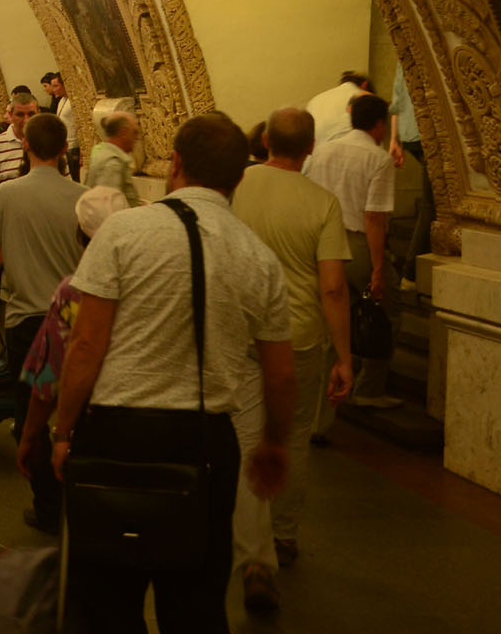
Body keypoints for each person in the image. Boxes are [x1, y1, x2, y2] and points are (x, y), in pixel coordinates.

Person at [48, 113, 295, 633]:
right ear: (240, 177)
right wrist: (274, 443)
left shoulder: (122, 231)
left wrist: (63, 430)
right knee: (197, 600)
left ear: (175, 164)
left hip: (118, 432)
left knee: (104, 601)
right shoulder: (257, 257)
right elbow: (279, 375)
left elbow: (87, 344)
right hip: (205, 440)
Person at [228, 107, 355, 611]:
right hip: (298, 337)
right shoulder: (322, 203)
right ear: (310, 147)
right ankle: (282, 533)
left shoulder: (236, 185)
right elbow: (332, 286)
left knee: (242, 435)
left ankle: (246, 541)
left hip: (238, 333)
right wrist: (343, 357)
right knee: (293, 436)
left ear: (263, 139)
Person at [15, 181, 139, 534]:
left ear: (80, 236)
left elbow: (49, 374)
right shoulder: (150, 279)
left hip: (94, 423)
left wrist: (33, 435)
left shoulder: (73, 291)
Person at [0, 114, 83, 442]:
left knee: (28, 398)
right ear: (64, 148)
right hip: (72, 318)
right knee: (71, 394)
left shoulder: (7, 195)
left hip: (25, 317)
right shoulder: (84, 197)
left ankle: (38, 468)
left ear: (25, 145)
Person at [303, 91, 400, 410]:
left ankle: (321, 396)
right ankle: (370, 388)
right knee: (387, 312)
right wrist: (377, 270)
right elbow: (373, 217)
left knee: (330, 319)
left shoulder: (323, 151)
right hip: (356, 244)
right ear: (379, 125)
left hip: (320, 241)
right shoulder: (378, 159)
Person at [388, 60, 433, 281]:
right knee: (430, 203)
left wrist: (394, 140)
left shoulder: (405, 49)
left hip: (409, 134)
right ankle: (410, 273)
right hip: (426, 131)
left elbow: (396, 102)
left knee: (433, 198)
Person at [0, 90, 41, 193]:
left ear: (39, 113)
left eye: (31, 114)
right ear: (10, 115)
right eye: (20, 115)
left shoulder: (50, 140)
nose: (26, 120)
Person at [85, 110, 141, 206]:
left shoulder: (102, 153)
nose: (138, 137)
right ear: (123, 133)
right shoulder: (113, 164)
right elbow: (109, 209)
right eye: (135, 132)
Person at [305, 69, 371, 149]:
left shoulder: (316, 100)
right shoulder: (365, 99)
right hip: (351, 154)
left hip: (315, 156)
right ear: (365, 84)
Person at [46, 73, 78, 179]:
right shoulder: (61, 101)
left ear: (65, 85)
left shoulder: (73, 100)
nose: (54, 89)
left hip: (74, 144)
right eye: (53, 86)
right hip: (66, 143)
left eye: (56, 86)